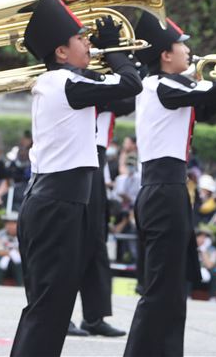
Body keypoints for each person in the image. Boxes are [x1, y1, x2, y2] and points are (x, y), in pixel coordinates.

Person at [10, 0, 142, 357]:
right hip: (58, 202)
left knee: (51, 303)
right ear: (61, 51)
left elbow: (127, 94)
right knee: (50, 304)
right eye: (80, 38)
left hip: (60, 200)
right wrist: (117, 51)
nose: (88, 44)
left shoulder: (68, 82)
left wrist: (121, 59)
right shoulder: (67, 82)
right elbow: (130, 83)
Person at [124, 12, 216, 357]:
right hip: (164, 191)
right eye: (182, 45)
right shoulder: (165, 85)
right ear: (166, 55)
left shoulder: (166, 88)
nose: (189, 51)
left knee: (172, 288)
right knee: (160, 289)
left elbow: (214, 104)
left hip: (168, 190)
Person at [69, 98, 135, 338]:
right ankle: (59, 315)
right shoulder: (91, 81)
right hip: (79, 156)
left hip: (97, 158)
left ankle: (94, 317)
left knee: (96, 243)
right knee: (72, 243)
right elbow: (127, 98)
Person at [0, 213, 23, 286]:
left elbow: (25, 251)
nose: (11, 226)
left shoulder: (23, 233)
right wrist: (11, 253)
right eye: (8, 223)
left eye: (13, 223)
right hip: (4, 259)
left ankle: (21, 284)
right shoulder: (0, 234)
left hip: (19, 261)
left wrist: (16, 254)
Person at [193, 226, 216, 298]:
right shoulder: (190, 248)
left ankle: (213, 297)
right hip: (193, 276)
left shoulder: (213, 250)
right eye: (200, 237)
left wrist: (203, 250)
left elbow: (209, 265)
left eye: (205, 237)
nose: (202, 239)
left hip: (206, 278)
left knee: (213, 272)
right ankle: (187, 296)